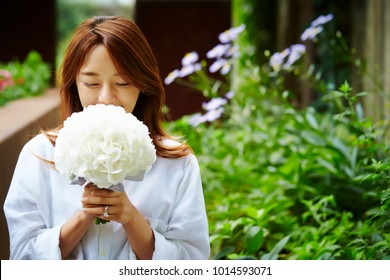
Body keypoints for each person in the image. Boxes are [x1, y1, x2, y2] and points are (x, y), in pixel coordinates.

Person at [3, 15, 210, 260]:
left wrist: (132, 220)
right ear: (73, 83)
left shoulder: (178, 164)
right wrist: (84, 217)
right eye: (91, 83)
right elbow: (20, 258)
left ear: (143, 84)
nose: (105, 97)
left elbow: (192, 261)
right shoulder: (39, 155)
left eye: (122, 82)